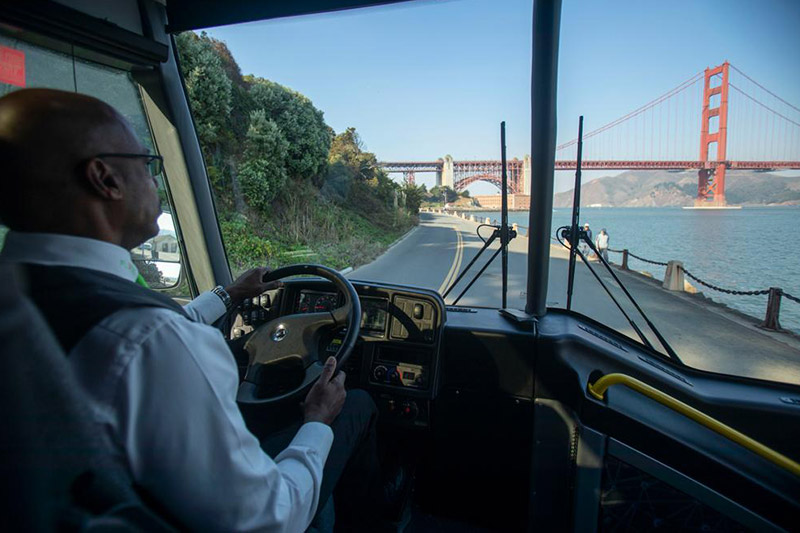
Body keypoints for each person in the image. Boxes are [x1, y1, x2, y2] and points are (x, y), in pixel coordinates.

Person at [0, 88, 383, 531]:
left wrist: (228, 295)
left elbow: (126, 339)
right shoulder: (156, 341)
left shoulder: (23, 299)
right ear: (105, 179)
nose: (155, 181)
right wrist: (316, 423)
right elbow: (268, 520)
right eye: (147, 164)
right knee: (355, 404)